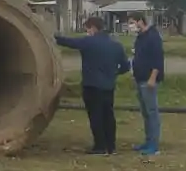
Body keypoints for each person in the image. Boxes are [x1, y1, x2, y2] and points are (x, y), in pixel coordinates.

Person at [55, 16, 131, 155]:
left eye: (87, 29)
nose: (87, 32)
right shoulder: (116, 45)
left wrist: (53, 36)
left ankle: (100, 146)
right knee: (108, 115)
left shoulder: (88, 42)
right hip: (109, 86)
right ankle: (111, 145)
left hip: (92, 85)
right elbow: (126, 67)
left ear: (93, 28)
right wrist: (114, 73)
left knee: (95, 116)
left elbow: (69, 42)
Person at [126, 11, 164, 156]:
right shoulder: (140, 37)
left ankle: (154, 145)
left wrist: (152, 78)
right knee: (145, 113)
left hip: (148, 80)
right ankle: (148, 141)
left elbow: (157, 60)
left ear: (140, 21)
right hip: (139, 78)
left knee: (152, 112)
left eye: (132, 22)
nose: (131, 26)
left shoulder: (153, 37)